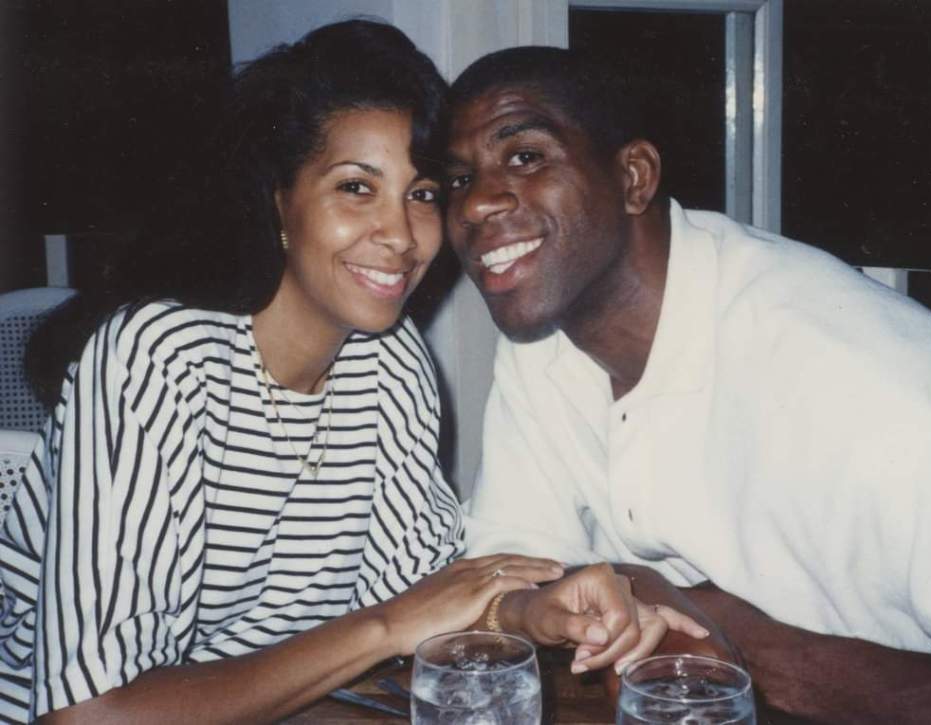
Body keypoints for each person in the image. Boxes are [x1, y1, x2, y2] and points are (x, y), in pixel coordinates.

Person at [0, 24, 708, 724]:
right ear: (278, 198)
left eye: (421, 194)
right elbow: (87, 714)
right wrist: (384, 627)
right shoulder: (159, 358)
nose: (400, 236)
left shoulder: (389, 361)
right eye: (356, 187)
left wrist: (531, 610)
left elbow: (428, 602)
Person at [445, 46, 931, 722]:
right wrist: (639, 588)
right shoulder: (542, 342)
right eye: (458, 179)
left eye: (525, 156)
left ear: (633, 178)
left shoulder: (859, 381)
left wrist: (741, 646)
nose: (476, 203)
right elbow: (504, 573)